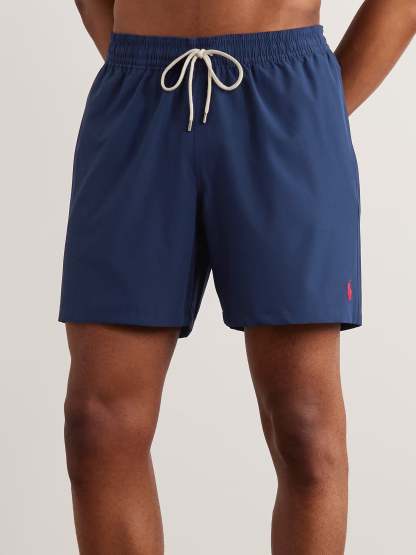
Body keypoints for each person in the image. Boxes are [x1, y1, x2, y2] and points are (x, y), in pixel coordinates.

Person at [59, 0, 416, 553]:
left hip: (285, 89)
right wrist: (134, 59)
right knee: (98, 424)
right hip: (137, 93)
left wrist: (319, 108)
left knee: (304, 428)